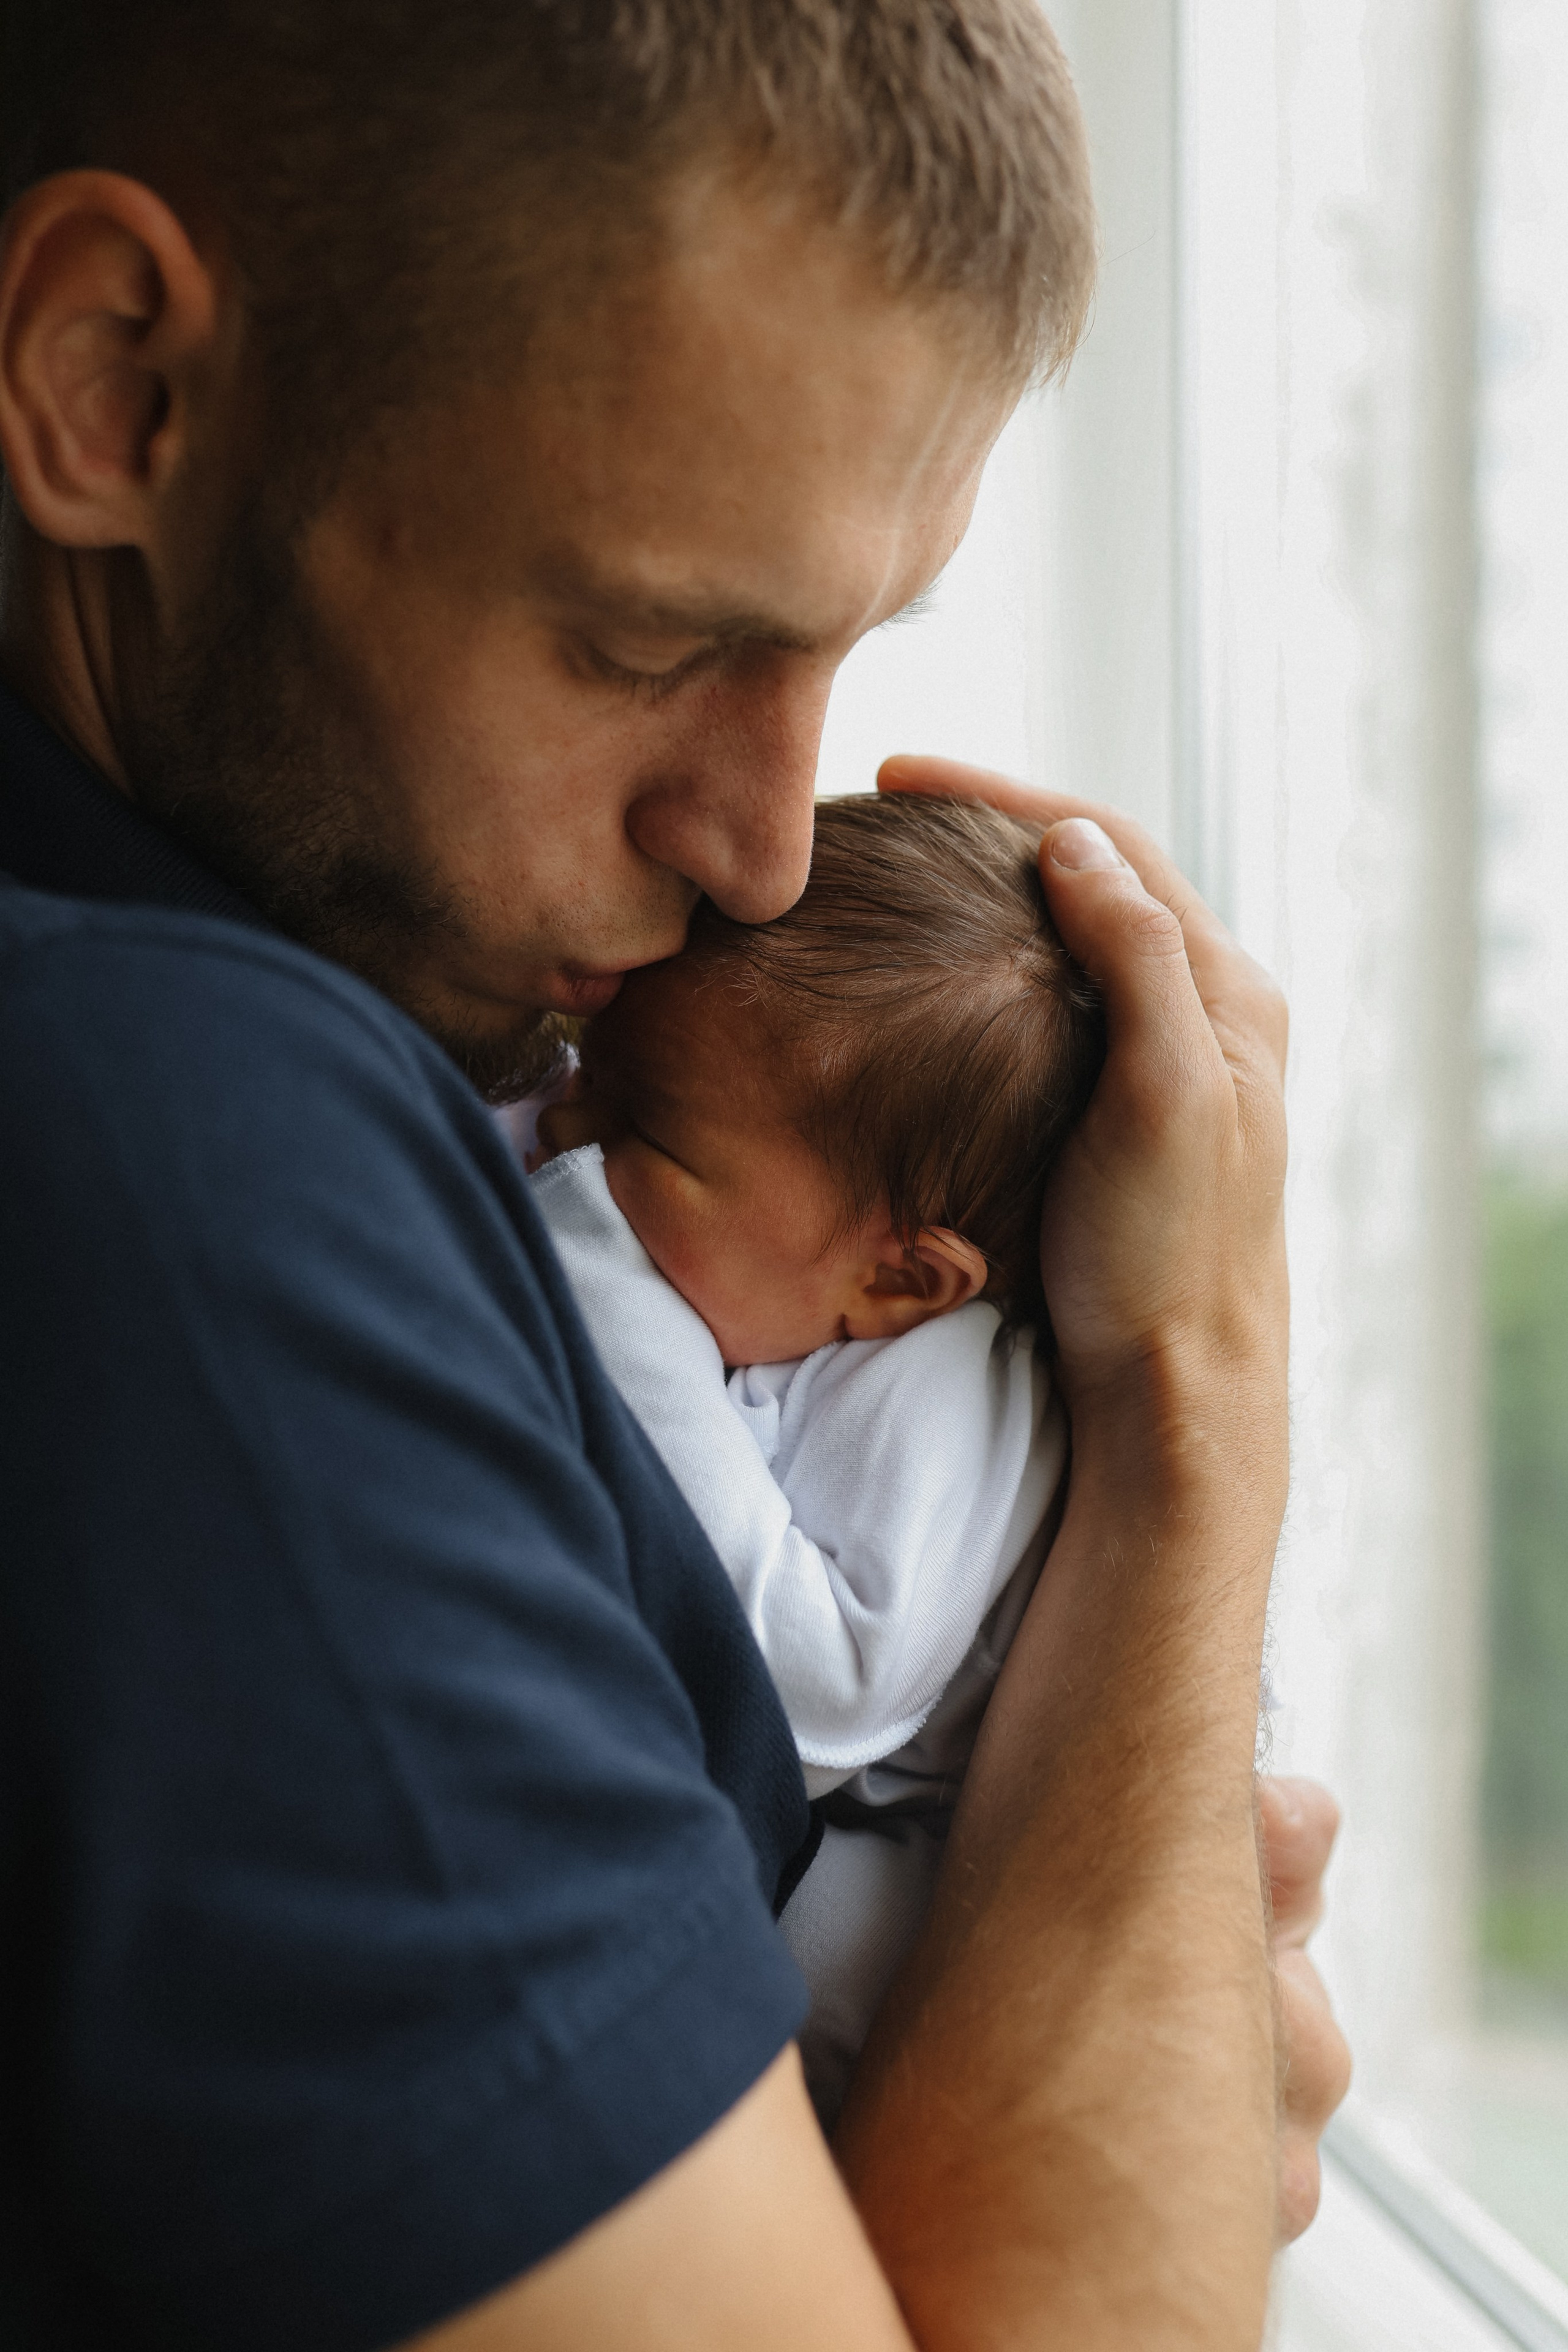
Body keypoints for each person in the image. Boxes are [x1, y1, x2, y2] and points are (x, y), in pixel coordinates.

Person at [0, 4, 1350, 2348]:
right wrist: (1193, 1404)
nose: (762, 852)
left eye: (841, 651)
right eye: (652, 643)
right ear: (114, 384)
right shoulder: (169, 1141)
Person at [529, 794, 1103, 2125]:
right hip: (846, 1816)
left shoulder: (944, 1387)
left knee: (802, 1951)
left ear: (902, 1280)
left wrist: (589, 1261)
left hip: (927, 1856)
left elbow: (808, 1699)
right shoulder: (797, 1295)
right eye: (582, 1073)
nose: (563, 1133)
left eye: (637, 1137)